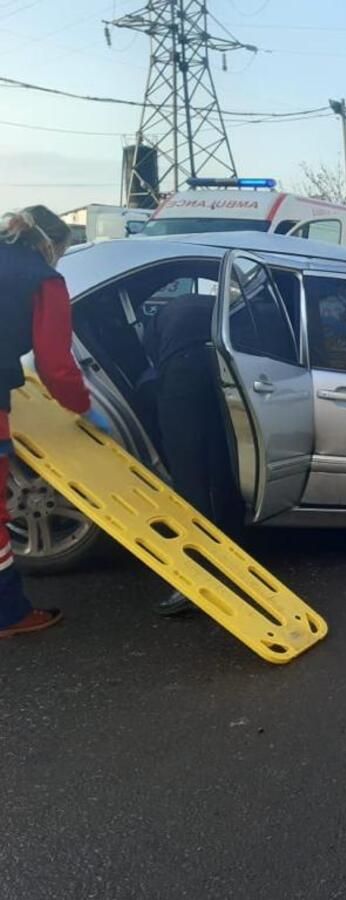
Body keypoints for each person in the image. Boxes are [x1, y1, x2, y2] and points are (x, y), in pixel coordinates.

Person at [0, 205, 111, 639]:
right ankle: (8, 615)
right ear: (51, 245)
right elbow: (55, 364)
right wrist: (81, 407)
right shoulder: (43, 279)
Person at [143, 292, 241, 617]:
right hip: (218, 371)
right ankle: (231, 545)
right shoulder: (219, 306)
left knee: (189, 473)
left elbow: (152, 353)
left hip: (180, 375)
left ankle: (196, 570)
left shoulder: (160, 315)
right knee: (221, 459)